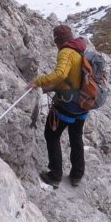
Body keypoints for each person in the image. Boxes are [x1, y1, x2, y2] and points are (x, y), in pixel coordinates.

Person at [29, 24, 90, 187]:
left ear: (57, 40)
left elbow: (61, 74)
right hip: (83, 103)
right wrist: (54, 86)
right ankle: (77, 174)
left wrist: (38, 81)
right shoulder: (80, 49)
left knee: (51, 135)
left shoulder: (66, 52)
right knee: (76, 137)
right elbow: (72, 77)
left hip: (67, 104)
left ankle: (55, 175)